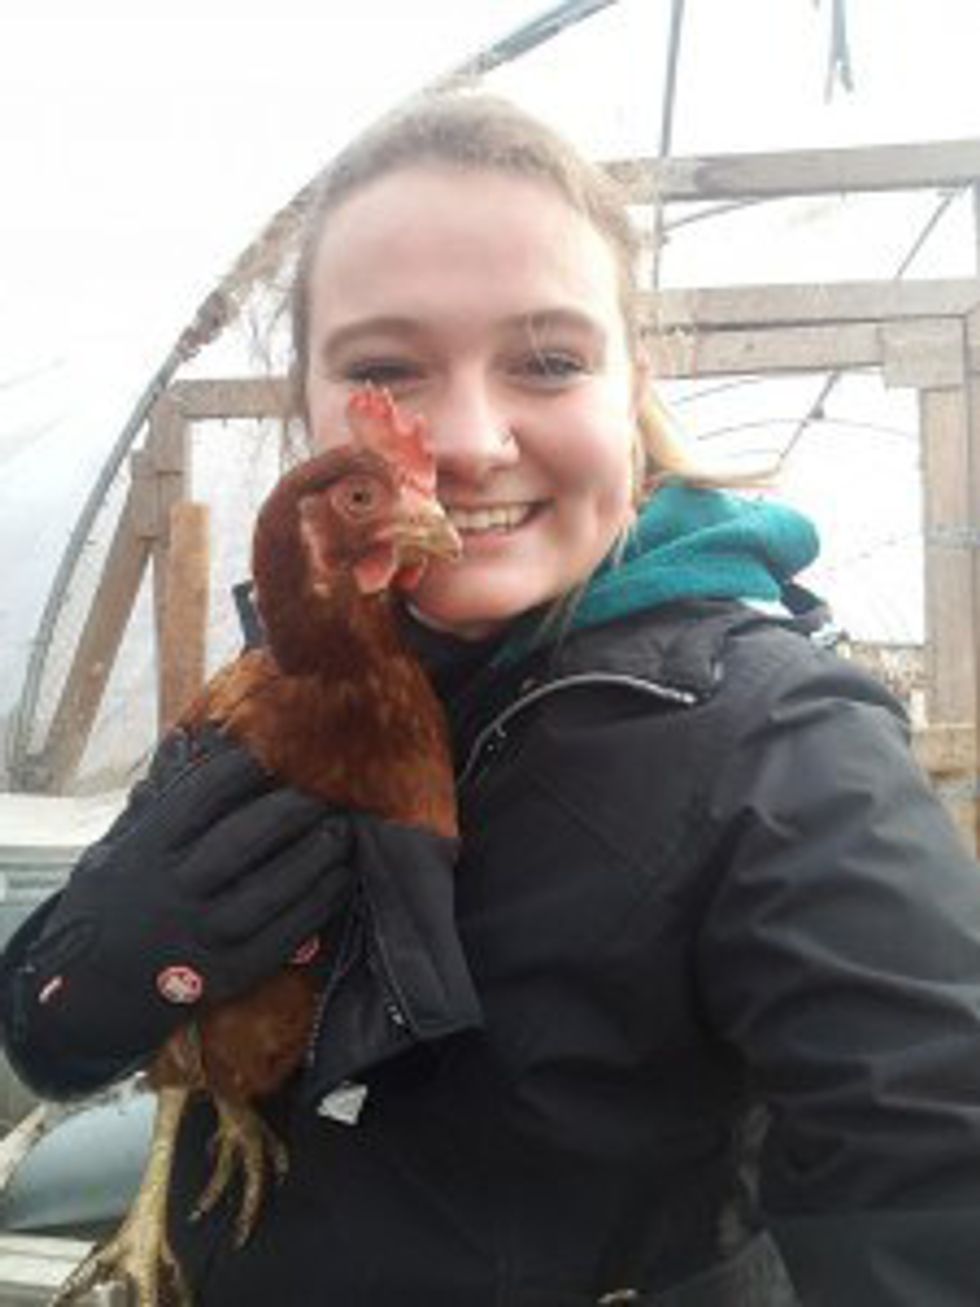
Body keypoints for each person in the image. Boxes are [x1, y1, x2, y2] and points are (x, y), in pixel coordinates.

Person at [3, 91, 980, 1307]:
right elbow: (51, 1027)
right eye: (385, 367)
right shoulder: (263, 682)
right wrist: (88, 978)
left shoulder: (781, 745)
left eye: (548, 361)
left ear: (630, 387)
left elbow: (929, 1155)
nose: (467, 442)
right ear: (304, 408)